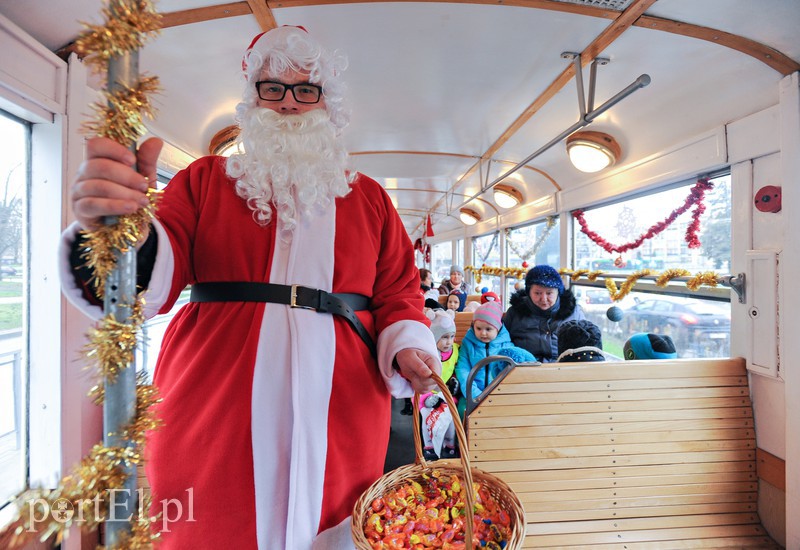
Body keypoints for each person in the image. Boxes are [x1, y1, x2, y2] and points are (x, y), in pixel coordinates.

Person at [61, 26, 440, 549]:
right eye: (272, 87)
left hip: (342, 405)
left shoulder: (370, 198)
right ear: (252, 97)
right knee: (213, 521)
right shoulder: (203, 180)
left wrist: (408, 349)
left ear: (327, 104)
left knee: (336, 522)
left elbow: (400, 293)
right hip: (214, 400)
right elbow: (155, 276)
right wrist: (121, 230)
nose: (288, 104)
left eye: (305, 90)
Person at [504, 264, 585, 362]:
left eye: (549, 293)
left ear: (558, 292)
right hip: (524, 368)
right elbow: (502, 342)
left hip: (564, 369)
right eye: (537, 293)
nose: (543, 299)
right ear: (529, 292)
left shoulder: (574, 313)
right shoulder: (515, 312)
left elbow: (586, 345)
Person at [419, 310, 460, 461]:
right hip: (427, 392)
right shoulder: (427, 353)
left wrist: (453, 382)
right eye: (443, 337)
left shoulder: (455, 351)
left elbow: (455, 369)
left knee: (451, 418)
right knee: (427, 416)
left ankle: (449, 445)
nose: (448, 342)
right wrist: (429, 395)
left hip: (445, 391)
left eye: (451, 337)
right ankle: (428, 446)